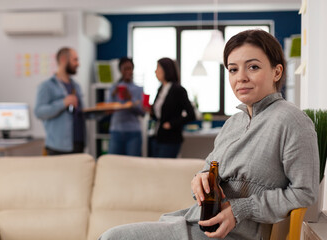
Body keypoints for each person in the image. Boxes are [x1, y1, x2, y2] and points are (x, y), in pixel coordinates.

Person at [98, 30, 319, 240]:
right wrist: (200, 179)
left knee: (112, 237)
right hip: (198, 223)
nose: (240, 77)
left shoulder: (293, 121)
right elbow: (208, 169)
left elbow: (304, 193)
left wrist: (240, 209)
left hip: (235, 234)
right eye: (233, 69)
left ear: (277, 71)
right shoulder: (233, 123)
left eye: (252, 67)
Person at [34, 47, 86, 155]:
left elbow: (80, 113)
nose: (78, 64)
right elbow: (39, 112)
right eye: (75, 60)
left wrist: (100, 113)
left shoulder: (76, 86)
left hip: (78, 144)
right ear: (63, 59)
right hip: (58, 147)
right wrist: (63, 103)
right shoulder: (47, 86)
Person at [150, 57, 196, 158]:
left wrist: (171, 124)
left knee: (164, 170)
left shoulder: (178, 90)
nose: (155, 71)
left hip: (171, 139)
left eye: (158, 68)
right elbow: (159, 113)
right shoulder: (160, 89)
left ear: (166, 70)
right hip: (157, 136)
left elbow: (191, 114)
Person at [107, 57, 144, 156]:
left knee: (132, 165)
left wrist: (129, 98)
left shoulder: (138, 89)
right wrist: (113, 95)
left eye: (130, 68)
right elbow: (108, 109)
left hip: (133, 132)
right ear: (120, 70)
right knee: (113, 162)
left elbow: (142, 112)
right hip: (116, 131)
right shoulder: (114, 88)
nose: (128, 71)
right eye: (125, 69)